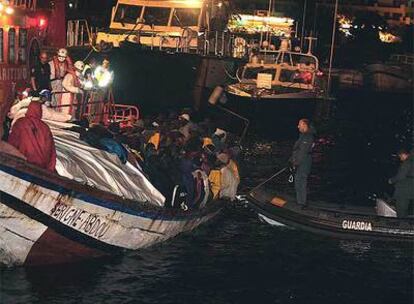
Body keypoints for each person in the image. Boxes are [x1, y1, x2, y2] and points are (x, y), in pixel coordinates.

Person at [8, 100, 56, 172]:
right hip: (41, 166)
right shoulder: (45, 127)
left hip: (23, 164)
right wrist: (50, 169)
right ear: (40, 111)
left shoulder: (20, 122)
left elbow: (12, 142)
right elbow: (51, 149)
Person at [290, 118, 315, 207]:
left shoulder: (308, 137)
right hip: (300, 162)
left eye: (299, 124)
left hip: (304, 163)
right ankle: (299, 202)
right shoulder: (303, 135)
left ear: (304, 125)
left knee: (301, 182)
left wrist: (296, 163)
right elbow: (297, 150)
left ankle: (302, 203)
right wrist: (292, 160)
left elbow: (303, 152)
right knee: (297, 182)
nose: (298, 126)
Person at [388, 149, 414, 217]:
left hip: (404, 189)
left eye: (400, 156)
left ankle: (401, 224)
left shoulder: (407, 162)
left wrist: (392, 180)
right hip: (410, 189)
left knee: (401, 208)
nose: (400, 159)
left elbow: (401, 176)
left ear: (404, 154)